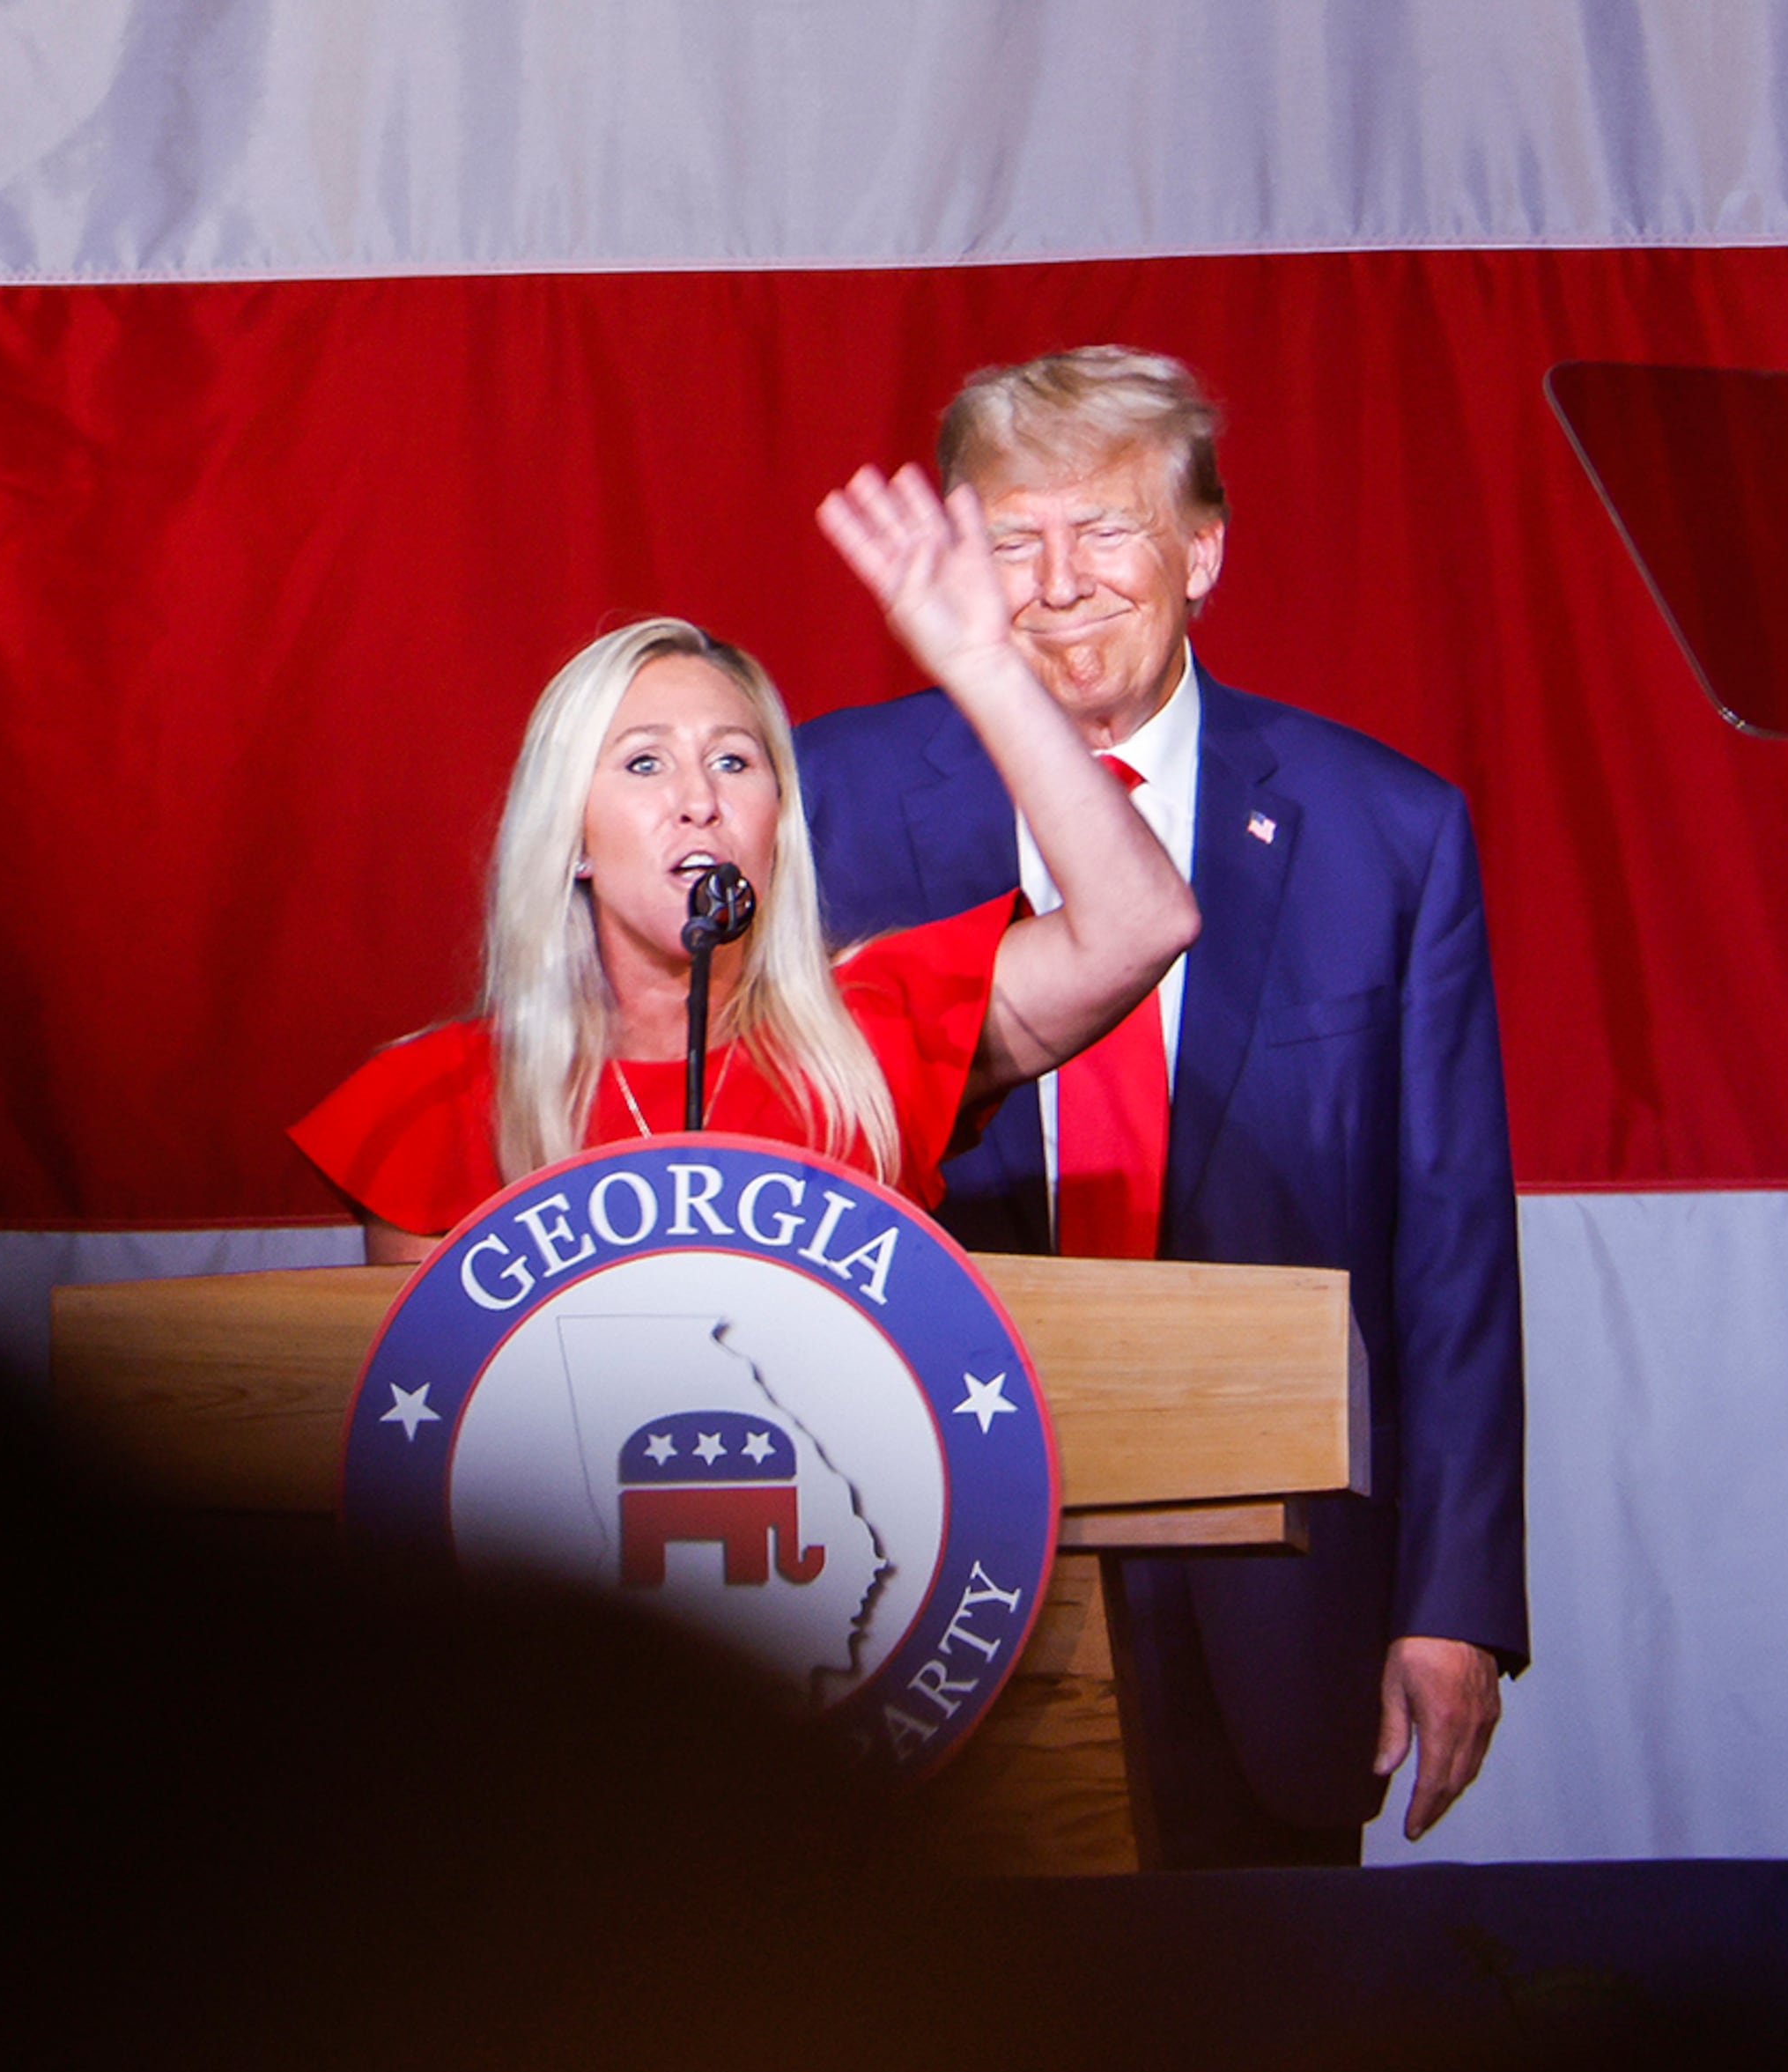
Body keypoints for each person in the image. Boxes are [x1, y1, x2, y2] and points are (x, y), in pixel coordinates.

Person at [794, 346, 1528, 1865]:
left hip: (1272, 1575)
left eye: (1105, 529)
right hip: (915, 1549)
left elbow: (1449, 1254)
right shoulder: (829, 800)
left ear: (1203, 550)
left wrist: (1457, 1599)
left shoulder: (1386, 832)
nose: (1057, 584)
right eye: (1011, 539)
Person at [292, 466, 1198, 1261]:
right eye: (644, 762)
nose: (700, 798)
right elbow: (428, 1420)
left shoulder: (879, 1031)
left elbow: (1143, 925)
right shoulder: (438, 1102)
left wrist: (986, 666)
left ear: (776, 822)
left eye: (734, 759)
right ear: (570, 840)